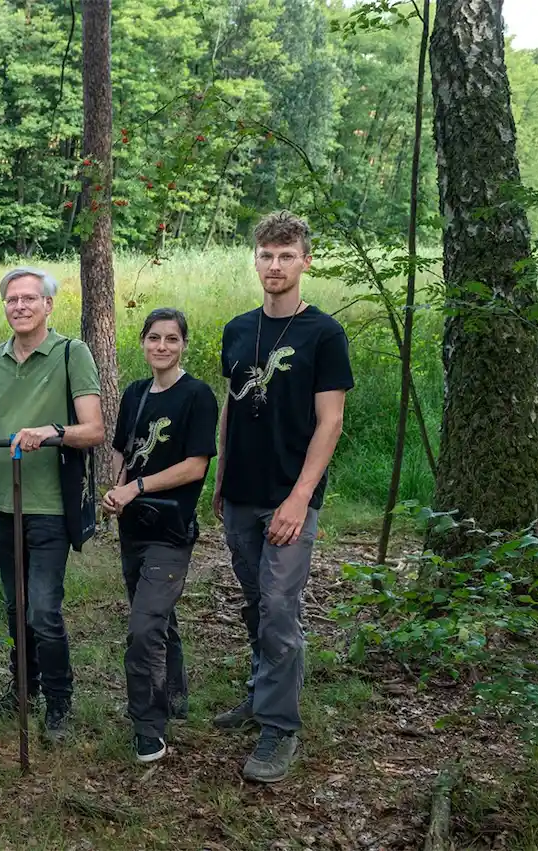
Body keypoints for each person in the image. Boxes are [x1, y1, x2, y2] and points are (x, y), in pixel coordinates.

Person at [211, 210, 353, 783]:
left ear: (304, 261)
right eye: (266, 255)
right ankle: (260, 692)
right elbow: (231, 404)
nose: (275, 265)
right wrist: (220, 476)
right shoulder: (239, 329)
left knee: (279, 607)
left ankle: (279, 727)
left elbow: (331, 422)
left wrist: (300, 499)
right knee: (255, 603)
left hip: (289, 495)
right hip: (241, 490)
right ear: (256, 260)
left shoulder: (324, 333)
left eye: (286, 255)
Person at [0, 266, 104, 742]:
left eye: (30, 298)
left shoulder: (72, 353)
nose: (20, 306)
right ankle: (22, 688)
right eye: (12, 299)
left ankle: (60, 701)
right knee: (14, 604)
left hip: (47, 504)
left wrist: (53, 432)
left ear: (48, 305)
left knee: (42, 608)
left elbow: (94, 430)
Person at [101, 308, 218, 764]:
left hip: (171, 529)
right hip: (133, 528)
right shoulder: (134, 394)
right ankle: (175, 693)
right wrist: (116, 490)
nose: (162, 346)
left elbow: (196, 465)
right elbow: (120, 451)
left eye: (171, 338)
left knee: (145, 625)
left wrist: (138, 487)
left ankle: (148, 726)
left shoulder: (197, 396)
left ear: (183, 343)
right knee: (157, 615)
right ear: (143, 342)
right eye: (154, 338)